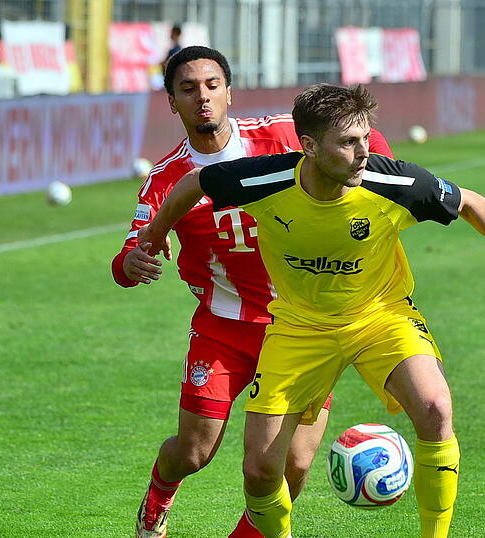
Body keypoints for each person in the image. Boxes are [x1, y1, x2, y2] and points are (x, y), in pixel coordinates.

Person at [139, 83, 485, 538]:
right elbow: (194, 183)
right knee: (261, 469)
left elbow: (469, 201)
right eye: (348, 142)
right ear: (308, 146)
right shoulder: (263, 180)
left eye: (365, 137)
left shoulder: (393, 181)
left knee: (435, 408)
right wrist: (155, 232)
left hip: (381, 316)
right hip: (299, 327)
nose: (364, 151)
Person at [112, 48, 395, 538]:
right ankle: (158, 497)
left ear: (229, 91)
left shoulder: (281, 133)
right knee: (194, 451)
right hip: (224, 331)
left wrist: (373, 175)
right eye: (188, 88)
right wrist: (131, 262)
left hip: (304, 326)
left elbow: (365, 139)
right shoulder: (163, 181)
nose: (202, 97)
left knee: (296, 465)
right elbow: (128, 258)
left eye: (212, 84)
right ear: (171, 102)